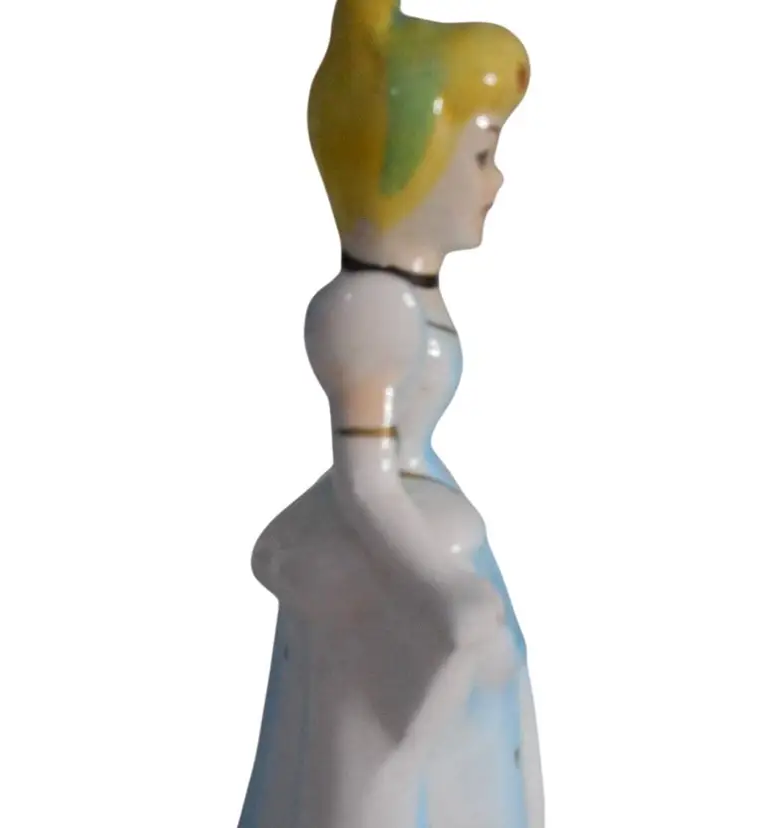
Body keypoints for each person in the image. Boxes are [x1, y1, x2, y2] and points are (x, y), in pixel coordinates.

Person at [239, 2, 542, 827]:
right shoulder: (366, 314)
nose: (497, 182)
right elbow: (365, 481)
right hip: (390, 557)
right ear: (411, 167)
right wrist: (447, 595)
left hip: (418, 535)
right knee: (383, 760)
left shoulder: (398, 300)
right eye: (482, 154)